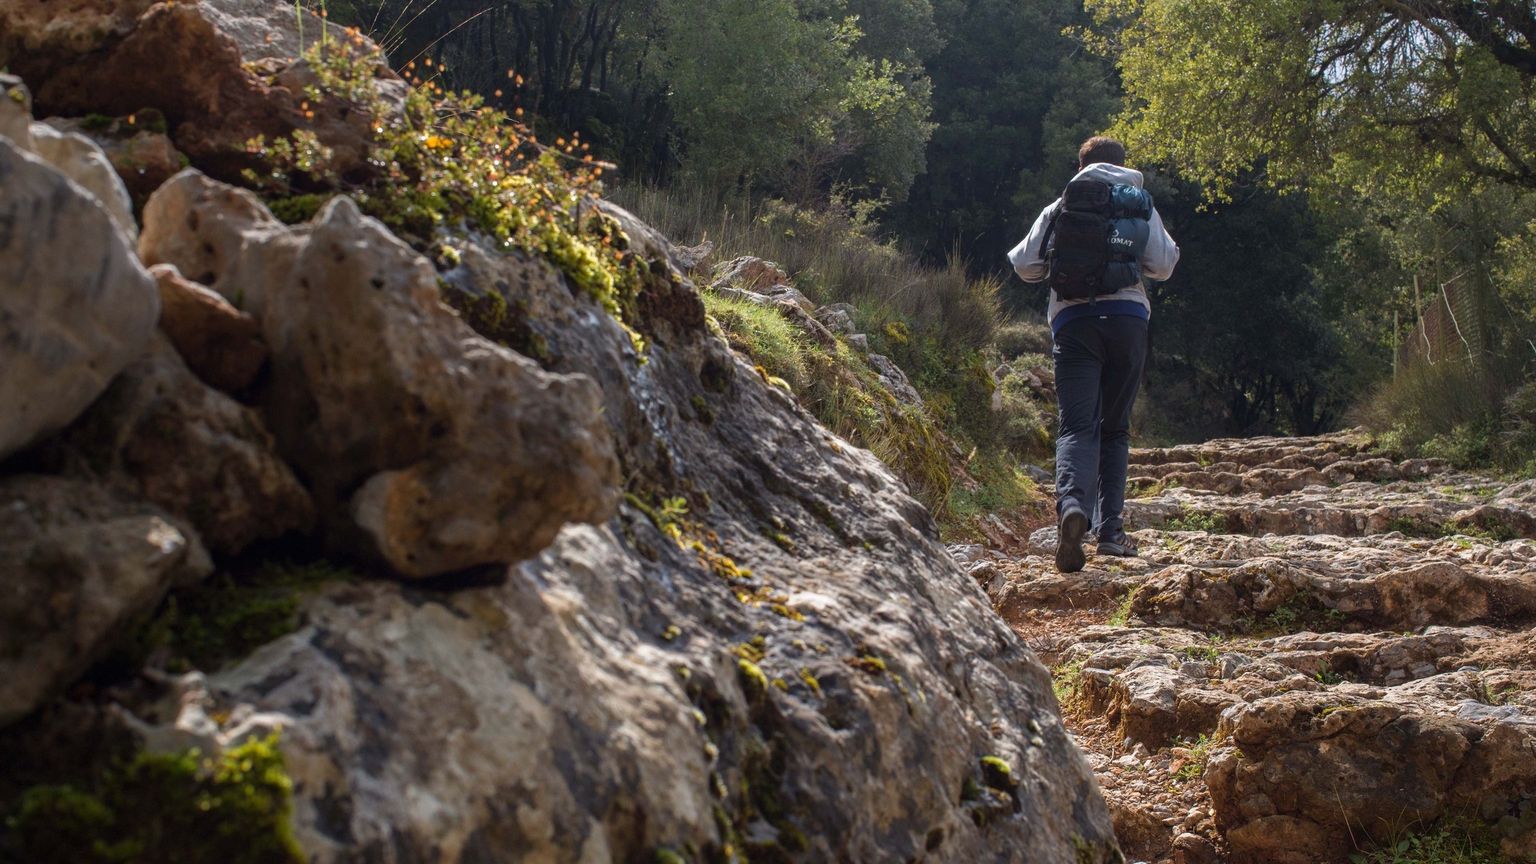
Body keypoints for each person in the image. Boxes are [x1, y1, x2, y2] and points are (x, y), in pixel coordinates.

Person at [1006, 136, 1180, 573]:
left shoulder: (1061, 204)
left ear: (1080, 164)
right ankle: (1112, 533)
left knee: (1077, 425)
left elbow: (1025, 265)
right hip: (1127, 320)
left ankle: (1071, 509)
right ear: (1125, 165)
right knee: (1115, 429)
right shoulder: (1139, 204)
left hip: (1074, 322)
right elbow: (1164, 264)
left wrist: (1061, 266)